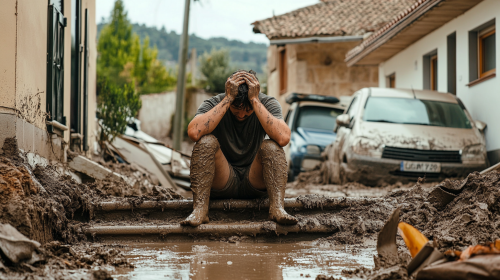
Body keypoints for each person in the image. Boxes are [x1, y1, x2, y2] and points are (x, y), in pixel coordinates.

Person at [181, 70, 298, 227]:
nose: (242, 114)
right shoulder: (216, 102)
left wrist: (255, 101)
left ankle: (277, 208)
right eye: (237, 109)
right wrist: (228, 99)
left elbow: (283, 138)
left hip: (254, 180)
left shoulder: (266, 103)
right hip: (223, 180)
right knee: (205, 142)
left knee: (271, 146)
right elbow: (194, 132)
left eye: (247, 110)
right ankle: (200, 210)